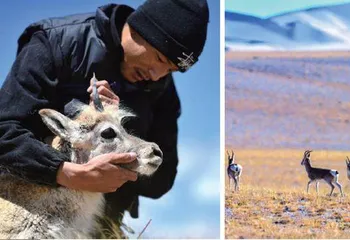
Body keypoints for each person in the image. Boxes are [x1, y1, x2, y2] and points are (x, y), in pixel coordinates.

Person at [0, 0, 209, 236]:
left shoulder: (162, 92)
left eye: (170, 69)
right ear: (140, 29)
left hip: (98, 226)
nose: (156, 75)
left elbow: (162, 180)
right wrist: (66, 171)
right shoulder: (56, 43)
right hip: (23, 217)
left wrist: (118, 135)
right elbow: (5, 131)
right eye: (160, 58)